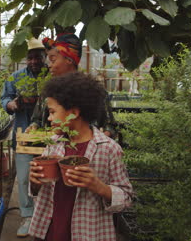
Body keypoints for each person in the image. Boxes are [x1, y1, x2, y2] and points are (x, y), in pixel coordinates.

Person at [28, 72, 133, 241]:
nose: (49, 118)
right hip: (50, 230)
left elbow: (126, 198)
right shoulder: (54, 144)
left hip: (88, 232)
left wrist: (99, 186)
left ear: (74, 112)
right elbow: (38, 191)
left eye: (53, 112)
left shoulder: (108, 149)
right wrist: (34, 182)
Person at [27, 33, 117, 138]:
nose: (49, 65)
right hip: (51, 150)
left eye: (53, 60)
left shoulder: (93, 91)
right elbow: (37, 119)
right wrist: (33, 126)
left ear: (69, 60)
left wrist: (103, 135)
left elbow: (110, 126)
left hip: (86, 152)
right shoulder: (49, 91)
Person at [1, 37, 47, 237]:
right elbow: (5, 99)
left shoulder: (52, 76)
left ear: (44, 57)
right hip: (23, 134)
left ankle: (47, 215)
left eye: (38, 57)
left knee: (49, 177)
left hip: (49, 135)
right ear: (25, 59)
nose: (34, 61)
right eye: (30, 58)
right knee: (24, 178)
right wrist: (12, 105)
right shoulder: (16, 77)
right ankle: (28, 216)